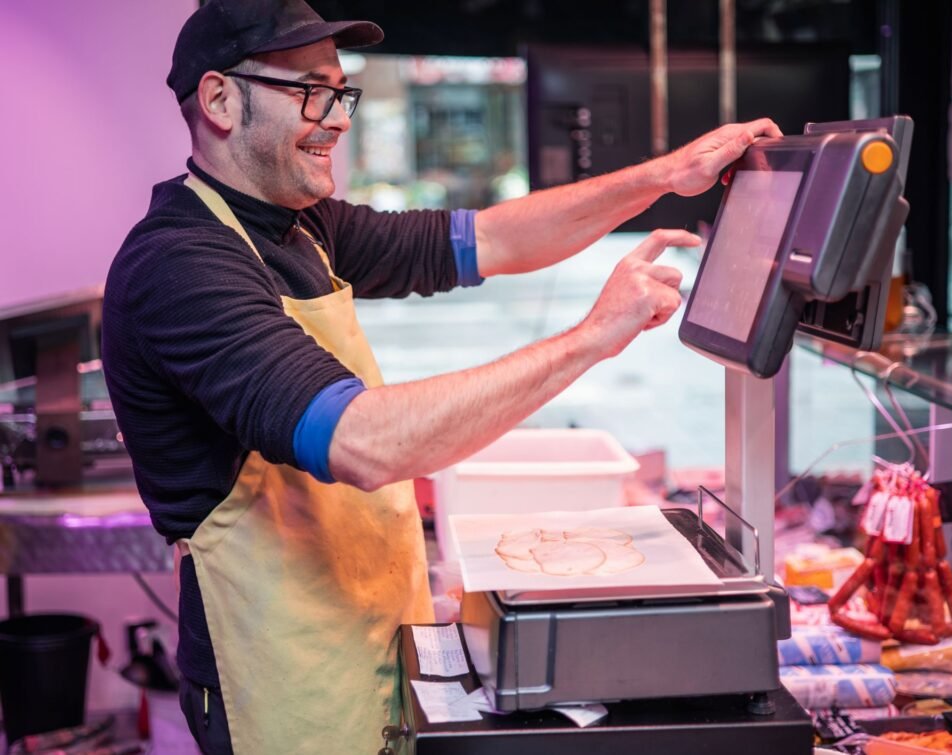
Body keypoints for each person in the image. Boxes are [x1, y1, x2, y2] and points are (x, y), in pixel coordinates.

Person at [102, 0, 781, 752]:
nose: (338, 120)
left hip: (364, 630)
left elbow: (490, 238)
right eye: (311, 93)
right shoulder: (180, 266)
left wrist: (666, 175)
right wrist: (593, 336)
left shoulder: (304, 225)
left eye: (343, 93)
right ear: (221, 100)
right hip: (279, 679)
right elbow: (363, 442)